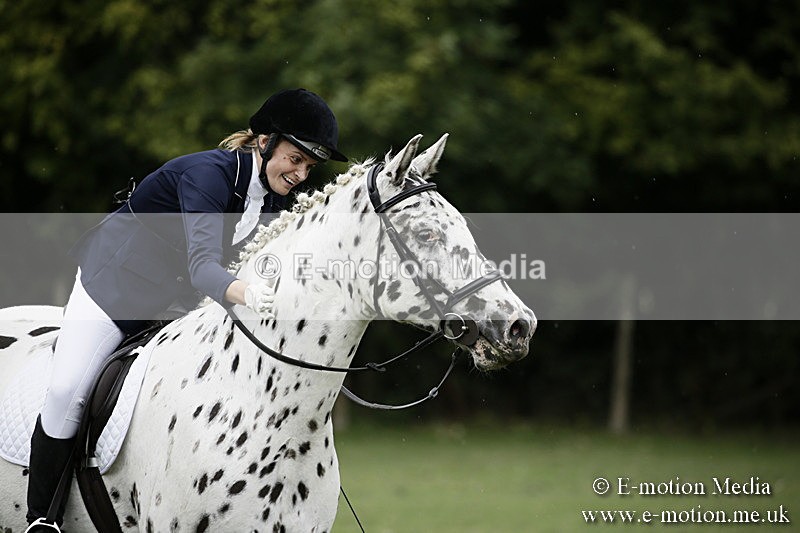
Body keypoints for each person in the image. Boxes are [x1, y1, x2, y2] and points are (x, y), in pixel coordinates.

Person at [24, 88, 347, 531]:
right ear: (264, 140)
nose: (301, 174)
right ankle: (41, 519)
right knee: (66, 391)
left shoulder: (275, 201)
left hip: (173, 305)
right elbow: (203, 269)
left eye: (309, 167)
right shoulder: (206, 175)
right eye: (296, 158)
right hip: (111, 290)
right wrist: (252, 295)